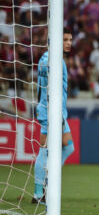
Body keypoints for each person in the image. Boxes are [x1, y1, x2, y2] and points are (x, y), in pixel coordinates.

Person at [33, 28, 75, 203]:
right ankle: (39, 191)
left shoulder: (44, 58)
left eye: (70, 40)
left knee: (66, 147)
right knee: (47, 149)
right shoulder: (56, 61)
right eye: (65, 39)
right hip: (52, 111)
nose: (68, 43)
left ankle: (45, 185)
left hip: (51, 110)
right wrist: (53, 113)